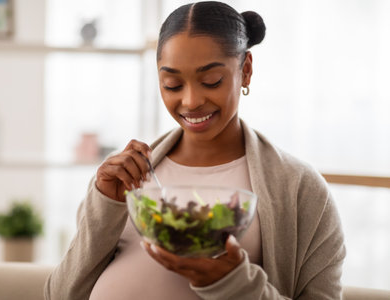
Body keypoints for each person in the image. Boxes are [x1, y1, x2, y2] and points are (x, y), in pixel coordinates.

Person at [44, 2, 346, 299]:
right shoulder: (129, 176)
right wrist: (104, 204)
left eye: (211, 81)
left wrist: (235, 283)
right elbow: (59, 294)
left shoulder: (299, 189)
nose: (190, 101)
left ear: (247, 70)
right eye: (172, 84)